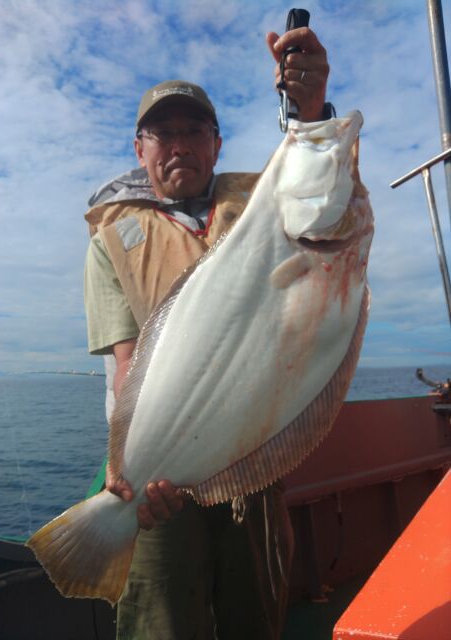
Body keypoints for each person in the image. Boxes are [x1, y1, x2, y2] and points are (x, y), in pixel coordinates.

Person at [84, 26, 330, 640]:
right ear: (139, 149)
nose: (179, 145)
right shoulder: (111, 242)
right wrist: (128, 471)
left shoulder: (262, 205)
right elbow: (128, 364)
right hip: (161, 469)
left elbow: (317, 185)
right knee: (164, 623)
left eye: (194, 131)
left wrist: (308, 107)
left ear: (217, 145)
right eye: (162, 133)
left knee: (257, 618)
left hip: (253, 459)